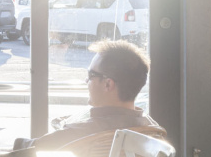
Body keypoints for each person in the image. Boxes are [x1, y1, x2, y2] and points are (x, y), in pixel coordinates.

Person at [14, 40, 159, 150]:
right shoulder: (153, 131)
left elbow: (25, 150)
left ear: (108, 84)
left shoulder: (81, 133)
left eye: (91, 75)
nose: (86, 80)